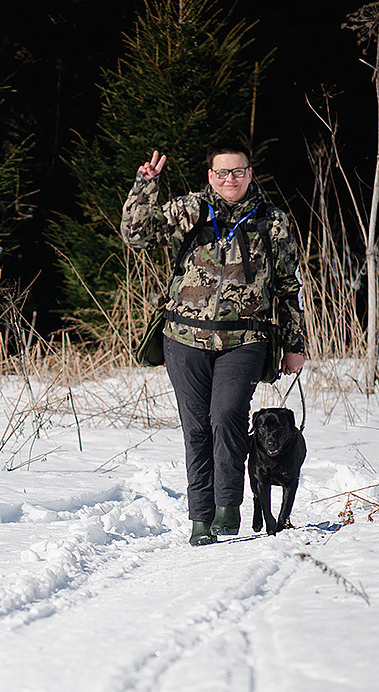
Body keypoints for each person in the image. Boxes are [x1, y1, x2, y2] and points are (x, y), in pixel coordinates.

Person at [120, 138, 307, 546]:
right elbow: (136, 236)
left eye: (238, 171)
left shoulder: (272, 221)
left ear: (249, 173)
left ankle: (228, 506)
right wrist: (145, 185)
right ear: (211, 175)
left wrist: (295, 343)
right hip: (183, 336)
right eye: (222, 172)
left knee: (226, 418)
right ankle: (200, 519)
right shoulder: (189, 210)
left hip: (245, 337)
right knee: (196, 428)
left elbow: (287, 286)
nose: (230, 179)